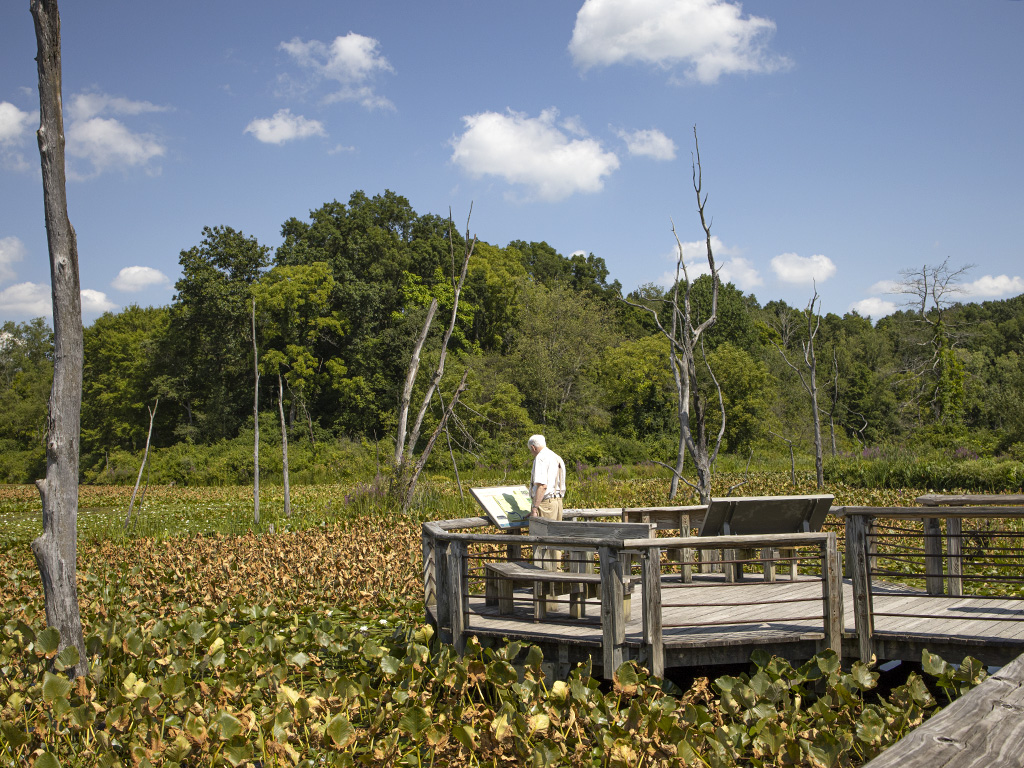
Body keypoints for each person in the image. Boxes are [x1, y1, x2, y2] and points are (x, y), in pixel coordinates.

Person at [528, 434, 566, 570]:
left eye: (530, 450)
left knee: (543, 540)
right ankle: (557, 571)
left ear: (533, 447)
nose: (531, 453)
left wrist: (534, 508)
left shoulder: (541, 458)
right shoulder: (556, 456)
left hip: (545, 503)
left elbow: (542, 486)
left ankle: (547, 576)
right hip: (557, 501)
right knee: (555, 540)